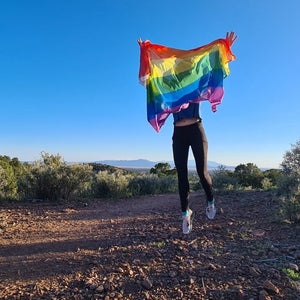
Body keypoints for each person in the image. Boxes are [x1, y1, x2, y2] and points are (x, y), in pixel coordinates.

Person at [172, 32, 237, 234]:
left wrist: (224, 49)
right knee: (182, 175)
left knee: (202, 172)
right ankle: (186, 214)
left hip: (196, 130)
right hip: (178, 133)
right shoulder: (170, 88)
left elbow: (213, 71)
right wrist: (146, 52)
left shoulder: (196, 85)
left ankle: (210, 201)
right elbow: (151, 80)